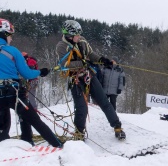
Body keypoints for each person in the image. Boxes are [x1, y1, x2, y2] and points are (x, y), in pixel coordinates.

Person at [55, 20, 126, 140]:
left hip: (89, 75)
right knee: (81, 106)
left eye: (79, 35)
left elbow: (91, 54)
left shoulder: (82, 41)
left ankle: (117, 126)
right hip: (75, 79)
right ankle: (79, 131)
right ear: (69, 36)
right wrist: (84, 62)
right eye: (76, 35)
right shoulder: (61, 46)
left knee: (104, 101)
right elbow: (65, 64)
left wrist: (104, 60)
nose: (79, 37)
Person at [0, 18, 63, 147]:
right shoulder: (12, 51)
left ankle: (5, 149)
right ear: (4, 34)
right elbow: (27, 73)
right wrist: (40, 72)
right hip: (14, 93)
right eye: (10, 35)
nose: (11, 38)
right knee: (35, 121)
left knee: (2, 126)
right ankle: (58, 145)